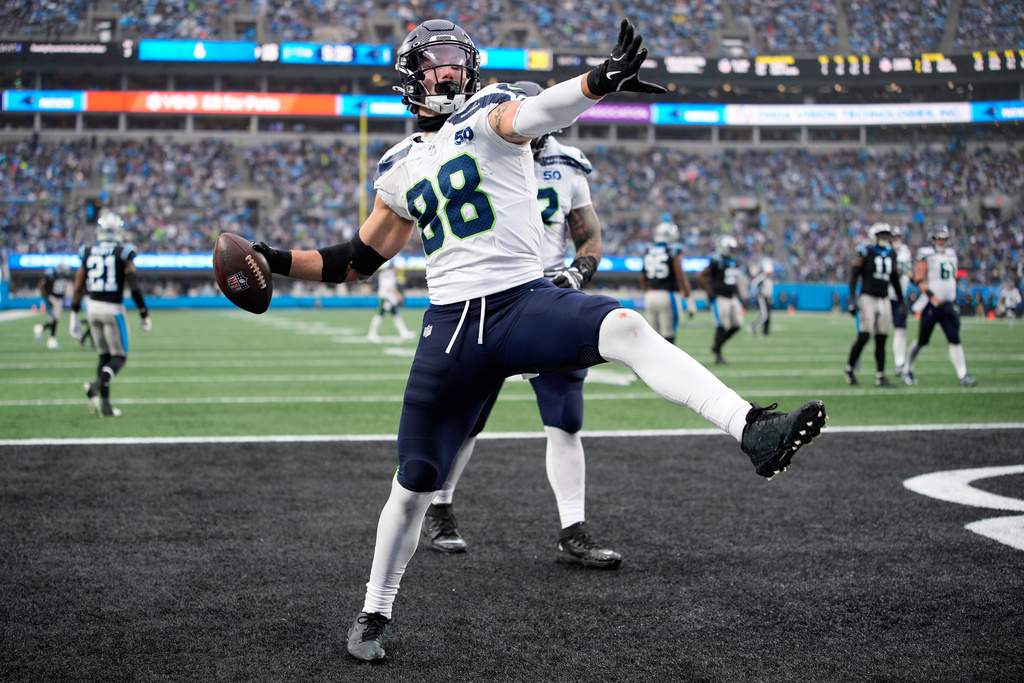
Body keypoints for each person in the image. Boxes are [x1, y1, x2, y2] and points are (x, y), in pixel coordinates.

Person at [248, 18, 826, 662]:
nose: (451, 72)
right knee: (413, 483)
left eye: (457, 61)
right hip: (452, 329)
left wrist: (598, 81)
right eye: (437, 63)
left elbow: (540, 109)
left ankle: (751, 428)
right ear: (411, 75)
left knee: (626, 328)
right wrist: (270, 257)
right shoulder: (401, 164)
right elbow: (354, 259)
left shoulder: (489, 114)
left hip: (523, 302)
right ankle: (374, 611)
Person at [421, 79, 621, 569]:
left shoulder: (567, 165)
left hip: (548, 298)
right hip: (491, 299)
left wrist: (576, 273)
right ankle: (440, 508)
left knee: (565, 420)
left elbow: (590, 237)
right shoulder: (479, 142)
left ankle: (572, 529)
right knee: (469, 417)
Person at [69, 211, 152, 417]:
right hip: (113, 310)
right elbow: (134, 286)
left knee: (103, 356)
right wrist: (143, 312)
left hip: (92, 308)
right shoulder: (123, 252)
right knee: (119, 357)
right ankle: (96, 385)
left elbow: (79, 285)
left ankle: (106, 406)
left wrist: (73, 314)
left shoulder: (87, 250)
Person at [902, 226, 976, 386]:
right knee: (922, 340)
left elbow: (951, 279)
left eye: (943, 238)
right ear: (933, 240)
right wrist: (932, 296)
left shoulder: (951, 255)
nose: (941, 242)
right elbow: (918, 279)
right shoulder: (926, 254)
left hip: (948, 306)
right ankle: (907, 369)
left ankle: (963, 374)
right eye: (938, 239)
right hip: (931, 305)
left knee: (954, 339)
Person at [844, 222, 904, 387]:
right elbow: (854, 276)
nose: (884, 237)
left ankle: (880, 375)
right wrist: (852, 299)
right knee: (864, 335)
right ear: (874, 236)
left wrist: (901, 302)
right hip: (867, 297)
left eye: (886, 234)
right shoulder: (866, 251)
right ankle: (849, 369)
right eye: (881, 235)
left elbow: (895, 280)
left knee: (882, 337)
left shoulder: (892, 254)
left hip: (884, 298)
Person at [641, 217, 693, 345]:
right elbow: (680, 276)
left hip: (650, 295)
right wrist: (689, 299)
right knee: (669, 335)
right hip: (667, 295)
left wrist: (647, 291)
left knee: (654, 336)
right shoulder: (673, 250)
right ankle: (667, 364)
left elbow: (642, 276)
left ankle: (653, 364)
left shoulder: (648, 249)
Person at [698, 235, 744, 365]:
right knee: (722, 326)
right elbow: (701, 276)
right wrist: (709, 291)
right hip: (720, 297)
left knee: (737, 325)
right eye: (730, 248)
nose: (733, 251)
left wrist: (740, 297)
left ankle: (717, 346)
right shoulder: (717, 260)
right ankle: (718, 355)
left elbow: (734, 281)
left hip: (731, 297)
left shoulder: (732, 261)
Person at [367, 261, 415, 342]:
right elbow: (388, 287)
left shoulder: (385, 273)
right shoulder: (389, 274)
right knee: (380, 315)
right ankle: (371, 334)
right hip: (386, 297)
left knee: (395, 315)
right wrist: (397, 294)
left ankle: (404, 332)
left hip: (387, 296)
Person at [889, 225, 914, 376]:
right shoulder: (885, 251)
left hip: (900, 297)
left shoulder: (905, 252)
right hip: (885, 295)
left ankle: (899, 363)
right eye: (894, 237)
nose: (896, 240)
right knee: (875, 332)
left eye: (898, 237)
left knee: (901, 330)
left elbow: (908, 271)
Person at [34, 262, 72, 349]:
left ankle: (40, 329)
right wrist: (47, 299)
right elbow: (41, 286)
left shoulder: (64, 277)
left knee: (54, 320)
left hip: (59, 299)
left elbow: (63, 288)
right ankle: (51, 340)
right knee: (55, 319)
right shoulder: (51, 275)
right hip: (51, 298)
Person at [748, 258, 774, 337]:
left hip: (767, 298)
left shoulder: (769, 278)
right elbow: (753, 284)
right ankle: (753, 326)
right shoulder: (762, 277)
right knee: (765, 315)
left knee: (768, 315)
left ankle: (765, 332)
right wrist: (755, 294)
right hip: (762, 298)